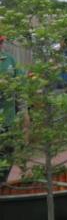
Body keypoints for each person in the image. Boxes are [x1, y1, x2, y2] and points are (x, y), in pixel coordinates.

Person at [0, 36, 22, 182]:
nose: (1, 44)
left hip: (8, 117)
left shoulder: (9, 59)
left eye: (1, 42)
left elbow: (21, 80)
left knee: (8, 153)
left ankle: (3, 184)